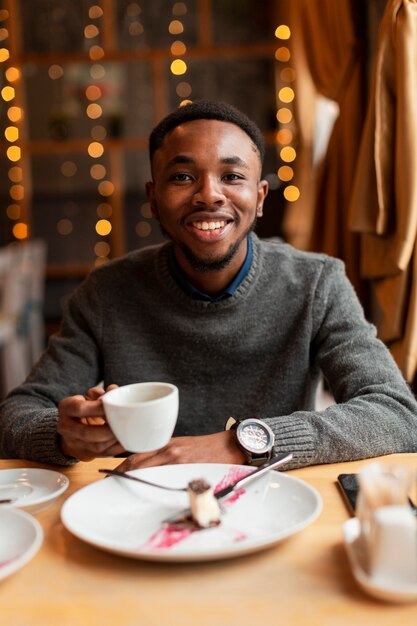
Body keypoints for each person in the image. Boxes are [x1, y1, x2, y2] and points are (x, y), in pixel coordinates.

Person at [1, 100, 417, 471]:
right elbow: (15, 414)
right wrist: (62, 433)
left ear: (260, 197)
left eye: (232, 176)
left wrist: (242, 443)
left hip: (271, 503)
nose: (209, 195)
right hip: (136, 510)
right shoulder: (106, 293)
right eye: (182, 177)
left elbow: (396, 414)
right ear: (153, 198)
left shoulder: (317, 283)